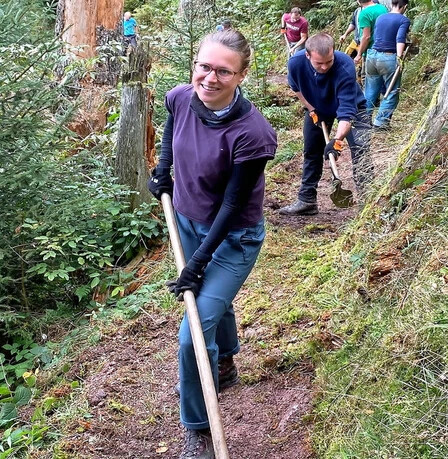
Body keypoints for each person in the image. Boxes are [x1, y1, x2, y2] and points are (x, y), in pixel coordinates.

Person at [146, 30, 277, 458]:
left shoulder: (253, 133)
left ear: (241, 75)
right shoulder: (180, 97)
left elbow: (233, 204)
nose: (210, 78)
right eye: (204, 66)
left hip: (234, 237)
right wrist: (163, 169)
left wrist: (198, 262)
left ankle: (198, 428)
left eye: (224, 71)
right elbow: (172, 127)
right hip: (187, 219)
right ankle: (225, 362)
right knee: (215, 302)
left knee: (192, 335)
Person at [279, 33, 373, 216]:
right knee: (312, 150)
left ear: (333, 53)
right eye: (319, 63)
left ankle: (369, 202)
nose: (324, 67)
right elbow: (296, 88)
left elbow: (347, 112)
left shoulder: (345, 65)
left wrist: (337, 141)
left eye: (328, 62)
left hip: (353, 107)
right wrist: (311, 109)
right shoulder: (296, 63)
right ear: (307, 55)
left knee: (361, 150)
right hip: (317, 107)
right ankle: (307, 200)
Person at [368, 0, 410, 128]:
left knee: (370, 91)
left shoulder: (380, 18)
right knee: (392, 91)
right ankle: (380, 123)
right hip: (388, 57)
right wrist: (399, 58)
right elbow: (400, 38)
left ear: (392, 4)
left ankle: (362, 119)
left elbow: (376, 36)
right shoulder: (403, 20)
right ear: (405, 6)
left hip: (372, 56)